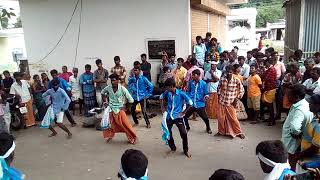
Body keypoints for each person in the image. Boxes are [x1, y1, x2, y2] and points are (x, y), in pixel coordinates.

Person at [281, 84, 312, 171]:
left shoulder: (299, 109)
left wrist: (297, 134)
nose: (287, 97)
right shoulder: (302, 103)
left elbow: (294, 127)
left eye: (289, 95)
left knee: (291, 165)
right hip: (293, 142)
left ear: (296, 97)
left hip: (292, 143)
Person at [160, 78, 193, 158]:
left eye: (167, 87)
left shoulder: (181, 93)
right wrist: (162, 108)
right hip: (168, 116)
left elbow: (190, 103)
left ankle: (186, 150)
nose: (166, 89)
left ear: (171, 86)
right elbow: (161, 97)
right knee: (168, 132)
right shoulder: (167, 92)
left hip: (178, 116)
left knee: (184, 133)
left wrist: (183, 112)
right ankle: (173, 148)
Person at [101, 74, 137, 144]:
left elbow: (131, 100)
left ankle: (132, 138)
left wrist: (126, 107)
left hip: (120, 110)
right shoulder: (108, 88)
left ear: (118, 81)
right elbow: (102, 93)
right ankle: (109, 136)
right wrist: (105, 102)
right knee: (110, 124)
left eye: (114, 80)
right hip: (111, 109)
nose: (112, 82)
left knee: (126, 125)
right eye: (111, 81)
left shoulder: (122, 89)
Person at [216, 65, 245, 139]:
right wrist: (219, 97)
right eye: (227, 72)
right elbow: (218, 88)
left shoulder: (236, 80)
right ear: (225, 72)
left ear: (233, 72)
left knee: (233, 118)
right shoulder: (222, 79)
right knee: (221, 118)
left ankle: (239, 132)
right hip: (222, 102)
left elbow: (242, 91)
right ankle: (221, 131)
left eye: (230, 72)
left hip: (231, 102)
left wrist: (237, 99)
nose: (229, 73)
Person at [184, 69, 212, 134]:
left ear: (198, 75)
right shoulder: (191, 82)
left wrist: (206, 97)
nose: (192, 76)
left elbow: (206, 93)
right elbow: (188, 92)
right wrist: (187, 99)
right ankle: (187, 127)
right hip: (191, 104)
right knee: (184, 117)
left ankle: (208, 128)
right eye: (192, 75)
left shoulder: (204, 84)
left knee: (205, 118)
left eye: (194, 75)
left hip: (200, 104)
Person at [298, 94, 320, 172]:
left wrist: (300, 155)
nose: (309, 105)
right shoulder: (315, 117)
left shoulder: (319, 125)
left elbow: (315, 148)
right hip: (307, 157)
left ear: (318, 105)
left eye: (311, 103)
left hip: (312, 161)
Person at [261, 58, 277, 126]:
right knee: (268, 105)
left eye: (266, 63)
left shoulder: (272, 69)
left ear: (268, 62)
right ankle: (271, 118)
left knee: (270, 105)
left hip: (270, 88)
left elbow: (265, 78)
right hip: (269, 88)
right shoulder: (270, 69)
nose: (265, 64)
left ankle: (272, 120)